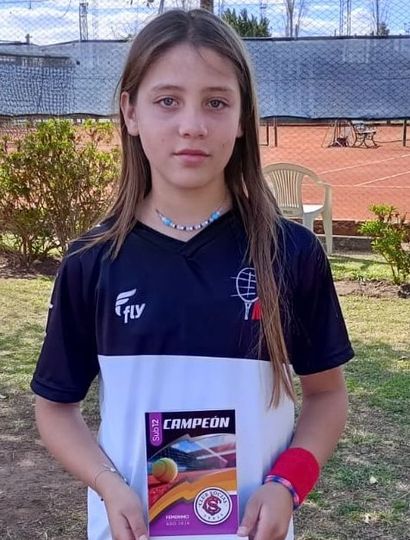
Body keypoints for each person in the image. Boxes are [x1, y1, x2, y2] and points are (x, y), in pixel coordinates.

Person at [31, 8, 354, 540]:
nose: (192, 125)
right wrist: (109, 485)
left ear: (243, 115)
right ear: (130, 112)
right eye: (167, 101)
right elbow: (55, 408)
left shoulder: (289, 252)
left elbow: (326, 395)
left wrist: (288, 483)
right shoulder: (91, 260)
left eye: (216, 102)